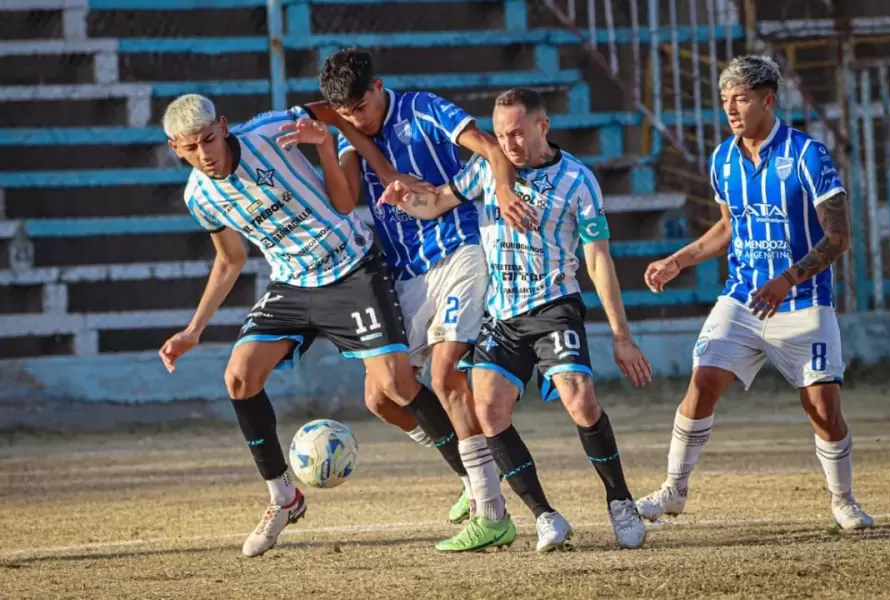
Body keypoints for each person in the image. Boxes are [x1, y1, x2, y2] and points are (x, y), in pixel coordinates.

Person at [158, 94, 477, 558]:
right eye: (191, 147)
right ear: (176, 148)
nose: (204, 153)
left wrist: (378, 166)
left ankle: (473, 480)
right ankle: (284, 497)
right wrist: (194, 329)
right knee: (239, 378)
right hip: (292, 283)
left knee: (394, 386)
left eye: (209, 139)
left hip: (351, 267)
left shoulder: (269, 131)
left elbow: (334, 109)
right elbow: (229, 259)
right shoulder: (198, 196)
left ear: (223, 126)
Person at [379, 87, 652, 552]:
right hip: (502, 315)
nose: (508, 144)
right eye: (501, 135)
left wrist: (621, 336)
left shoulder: (578, 180)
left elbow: (598, 258)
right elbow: (440, 201)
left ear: (542, 126)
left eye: (518, 134)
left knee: (580, 401)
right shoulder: (487, 168)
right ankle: (546, 517)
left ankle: (620, 502)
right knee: (487, 411)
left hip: (553, 306)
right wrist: (405, 198)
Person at [285, 47, 537, 524]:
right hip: (405, 272)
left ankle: (490, 511)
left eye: (360, 107)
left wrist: (504, 189)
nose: (355, 118)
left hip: (458, 250)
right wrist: (331, 142)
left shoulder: (423, 108)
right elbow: (345, 201)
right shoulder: (351, 135)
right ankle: (471, 472)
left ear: (378, 87)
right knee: (380, 396)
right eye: (345, 113)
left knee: (444, 374)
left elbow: (490, 148)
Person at [635, 56, 873, 530]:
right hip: (742, 299)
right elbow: (729, 227)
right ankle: (673, 490)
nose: (731, 109)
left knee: (822, 407)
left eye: (741, 99)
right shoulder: (722, 159)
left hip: (803, 300)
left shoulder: (808, 155)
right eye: (725, 100)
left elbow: (839, 236)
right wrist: (678, 260)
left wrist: (787, 279)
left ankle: (842, 499)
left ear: (768, 100)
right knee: (703, 382)